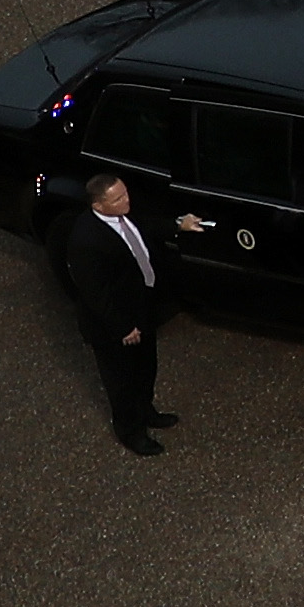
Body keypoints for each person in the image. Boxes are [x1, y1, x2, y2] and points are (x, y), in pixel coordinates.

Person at [55, 170, 194, 454]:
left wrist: (178, 225)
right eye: (118, 199)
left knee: (145, 368)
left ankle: (146, 411)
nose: (126, 201)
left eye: (125, 193)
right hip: (115, 327)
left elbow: (145, 227)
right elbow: (96, 293)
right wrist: (123, 327)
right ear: (98, 206)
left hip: (141, 309)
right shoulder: (86, 240)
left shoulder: (124, 214)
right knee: (122, 382)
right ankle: (131, 431)